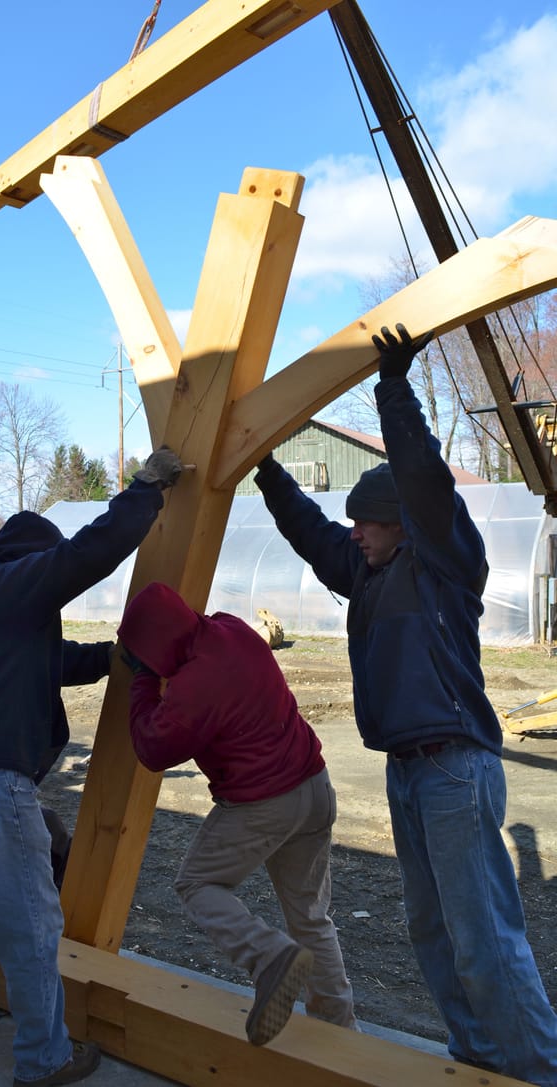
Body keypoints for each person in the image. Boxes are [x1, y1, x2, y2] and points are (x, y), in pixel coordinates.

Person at [254, 323, 557, 1085]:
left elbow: (424, 479)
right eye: (354, 522)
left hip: (455, 766)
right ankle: (479, 1059)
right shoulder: (365, 571)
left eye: (368, 521)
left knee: (483, 934)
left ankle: (538, 1067)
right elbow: (309, 531)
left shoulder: (446, 566)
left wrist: (394, 390)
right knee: (432, 932)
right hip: (406, 773)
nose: (354, 532)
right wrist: (264, 470)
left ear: (401, 525)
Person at [0, 446, 183, 1087]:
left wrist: (115, 657)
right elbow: (88, 554)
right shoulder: (23, 580)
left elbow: (49, 662)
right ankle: (43, 1059)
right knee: (28, 923)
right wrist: (145, 490)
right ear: (35, 559)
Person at [117, 581, 358, 1048]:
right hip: (315, 787)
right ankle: (340, 1033)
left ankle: (267, 957)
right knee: (310, 917)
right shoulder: (231, 628)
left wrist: (144, 680)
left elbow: (153, 748)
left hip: (265, 802)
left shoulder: (195, 687)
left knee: (197, 883)